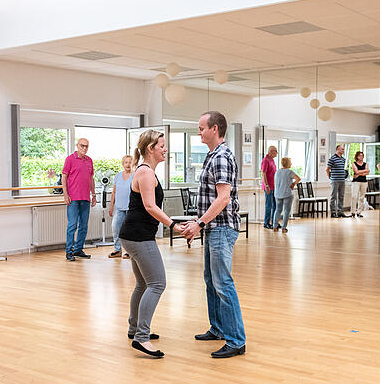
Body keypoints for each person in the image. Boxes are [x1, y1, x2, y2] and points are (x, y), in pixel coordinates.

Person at [179, 111, 246, 359]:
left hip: (220, 228)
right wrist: (199, 222)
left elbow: (223, 198)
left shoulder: (220, 157)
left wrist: (199, 223)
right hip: (212, 228)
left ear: (214, 129)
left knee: (222, 283)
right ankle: (218, 328)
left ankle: (236, 340)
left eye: (201, 128)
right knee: (211, 280)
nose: (199, 132)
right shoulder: (213, 155)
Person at [119, 131, 181, 358]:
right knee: (157, 283)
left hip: (132, 234)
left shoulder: (147, 171)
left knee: (143, 284)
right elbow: (150, 207)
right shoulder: (145, 173)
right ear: (150, 149)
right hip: (139, 236)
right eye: (162, 146)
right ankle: (141, 337)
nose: (165, 149)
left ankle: (134, 327)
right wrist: (173, 225)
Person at [62, 138, 97, 261]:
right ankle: (69, 252)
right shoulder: (70, 159)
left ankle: (78, 249)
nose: (84, 148)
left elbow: (91, 178)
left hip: (85, 198)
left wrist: (94, 194)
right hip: (73, 198)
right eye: (82, 146)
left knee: (83, 226)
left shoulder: (89, 161)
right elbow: (64, 177)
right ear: (77, 145)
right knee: (72, 225)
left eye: (87, 146)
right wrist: (65, 195)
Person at [108, 154, 134, 258]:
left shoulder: (135, 175)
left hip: (130, 208)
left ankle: (130, 251)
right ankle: (117, 250)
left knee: (129, 230)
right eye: (126, 162)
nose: (128, 164)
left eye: (130, 162)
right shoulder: (118, 176)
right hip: (119, 208)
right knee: (116, 228)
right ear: (123, 164)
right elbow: (114, 192)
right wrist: (111, 207)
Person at [272, 156, 300, 232]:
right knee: (287, 211)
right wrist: (293, 184)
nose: (291, 163)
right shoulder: (289, 171)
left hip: (278, 193)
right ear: (288, 163)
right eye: (290, 162)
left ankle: (274, 226)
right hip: (287, 193)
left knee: (278, 210)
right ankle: (284, 227)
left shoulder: (277, 171)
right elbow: (298, 178)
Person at [326, 144, 348, 217]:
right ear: (338, 149)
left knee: (341, 196)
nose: (343, 150)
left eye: (344, 149)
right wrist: (330, 177)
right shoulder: (332, 158)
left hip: (342, 180)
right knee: (334, 196)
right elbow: (327, 169)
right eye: (342, 149)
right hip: (335, 180)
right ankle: (333, 212)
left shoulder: (343, 159)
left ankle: (340, 211)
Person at [347, 151, 369, 218]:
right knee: (354, 196)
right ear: (357, 156)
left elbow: (367, 172)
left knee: (362, 197)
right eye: (360, 155)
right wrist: (364, 171)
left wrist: (359, 173)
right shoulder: (354, 163)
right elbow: (356, 171)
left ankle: (359, 212)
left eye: (362, 155)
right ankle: (353, 212)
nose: (361, 157)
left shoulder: (365, 164)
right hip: (356, 182)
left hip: (364, 182)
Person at [260, 145, 277, 229]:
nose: (276, 153)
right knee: (269, 205)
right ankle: (266, 223)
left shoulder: (272, 160)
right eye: (275, 151)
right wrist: (266, 186)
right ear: (271, 151)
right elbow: (263, 173)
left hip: (274, 186)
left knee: (275, 205)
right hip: (268, 187)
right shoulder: (265, 160)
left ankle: (274, 222)